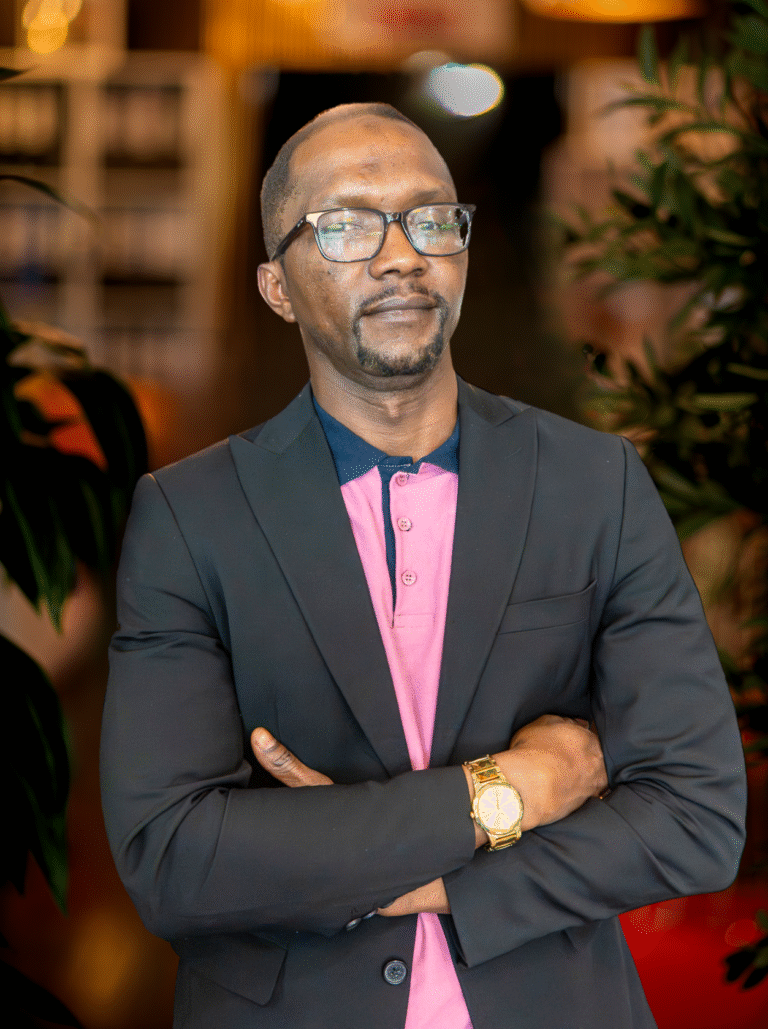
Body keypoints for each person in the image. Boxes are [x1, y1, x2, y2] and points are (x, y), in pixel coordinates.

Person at [100, 102, 747, 1029]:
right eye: (347, 225)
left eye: (431, 219)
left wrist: (404, 875)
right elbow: (172, 858)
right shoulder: (190, 515)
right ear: (277, 286)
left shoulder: (593, 482)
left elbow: (697, 816)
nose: (401, 254)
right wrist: (514, 790)